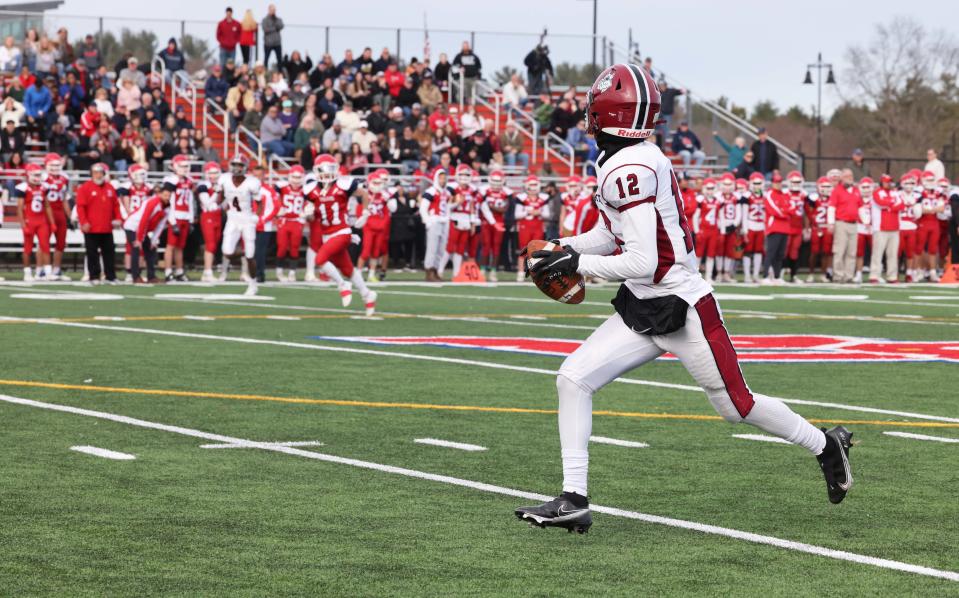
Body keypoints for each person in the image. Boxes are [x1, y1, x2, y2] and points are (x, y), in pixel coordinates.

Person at [515, 64, 853, 533]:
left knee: (736, 407)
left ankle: (823, 444)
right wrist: (566, 247)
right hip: (643, 304)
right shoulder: (624, 156)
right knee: (573, 378)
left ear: (606, 114)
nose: (587, 117)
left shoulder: (629, 165)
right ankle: (574, 498)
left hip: (682, 305)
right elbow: (609, 234)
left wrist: (576, 265)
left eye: (593, 109)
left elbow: (643, 261)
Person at [305, 153, 377, 314]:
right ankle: (368, 294)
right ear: (316, 171)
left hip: (342, 231)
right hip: (327, 235)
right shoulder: (310, 189)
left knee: (320, 259)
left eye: (329, 169)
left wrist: (365, 213)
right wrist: (308, 213)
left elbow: (364, 195)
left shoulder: (344, 184)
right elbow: (312, 216)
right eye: (322, 170)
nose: (326, 173)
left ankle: (342, 284)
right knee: (348, 269)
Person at [214, 155, 261, 295]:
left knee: (251, 256)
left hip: (247, 219)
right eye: (234, 164)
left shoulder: (252, 182)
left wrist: (256, 215)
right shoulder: (224, 179)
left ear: (245, 167)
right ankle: (246, 253)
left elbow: (259, 203)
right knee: (227, 252)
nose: (236, 168)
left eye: (240, 165)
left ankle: (253, 284)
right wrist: (218, 194)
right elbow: (219, 200)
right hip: (232, 218)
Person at [76, 162, 122, 283]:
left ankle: (110, 276)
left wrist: (118, 218)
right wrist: (84, 222)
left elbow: (116, 205)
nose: (98, 175)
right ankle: (94, 276)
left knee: (109, 252)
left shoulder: (110, 187)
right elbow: (80, 207)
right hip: (91, 227)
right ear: (91, 174)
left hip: (107, 227)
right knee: (92, 253)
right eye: (96, 173)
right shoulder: (85, 188)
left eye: (100, 172)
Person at [123, 179, 172, 284]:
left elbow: (161, 224)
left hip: (142, 229)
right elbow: (144, 220)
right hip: (133, 226)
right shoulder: (153, 203)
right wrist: (139, 239)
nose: (167, 198)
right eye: (165, 195)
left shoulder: (167, 206)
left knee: (151, 250)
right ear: (159, 194)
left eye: (169, 195)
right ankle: (135, 276)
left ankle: (151, 276)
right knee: (136, 249)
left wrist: (154, 240)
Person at [15, 163, 54, 281]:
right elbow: (19, 208)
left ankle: (48, 272)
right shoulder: (23, 188)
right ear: (29, 175)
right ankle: (27, 273)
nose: (38, 177)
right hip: (29, 221)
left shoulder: (44, 187)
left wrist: (52, 222)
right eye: (35, 174)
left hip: (41, 221)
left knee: (45, 246)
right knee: (28, 248)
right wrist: (23, 225)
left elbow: (47, 206)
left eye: (39, 174)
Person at [827, 168, 863, 283]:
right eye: (847, 176)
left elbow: (860, 207)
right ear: (842, 178)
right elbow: (832, 208)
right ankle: (838, 275)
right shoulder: (837, 190)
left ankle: (848, 275)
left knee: (852, 252)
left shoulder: (856, 190)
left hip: (853, 223)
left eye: (851, 176)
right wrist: (831, 223)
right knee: (840, 250)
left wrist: (866, 221)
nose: (850, 178)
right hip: (841, 223)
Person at [163, 154, 195, 281]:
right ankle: (168, 271)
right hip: (175, 216)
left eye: (186, 166)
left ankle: (180, 271)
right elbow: (169, 201)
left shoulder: (188, 181)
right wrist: (172, 220)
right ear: (175, 167)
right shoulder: (171, 180)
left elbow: (190, 200)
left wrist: (191, 219)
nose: (185, 168)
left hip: (185, 217)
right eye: (182, 166)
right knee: (170, 245)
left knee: (180, 246)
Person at [274, 165, 308, 281]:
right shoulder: (282, 187)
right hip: (284, 220)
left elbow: (311, 202)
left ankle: (292, 272)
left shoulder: (306, 190)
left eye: (298, 178)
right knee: (282, 247)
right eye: (294, 177)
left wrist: (307, 210)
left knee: (294, 247)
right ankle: (279, 271)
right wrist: (278, 207)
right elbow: (273, 194)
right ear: (289, 177)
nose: (296, 180)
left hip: (297, 221)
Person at [512, 174, 549, 282]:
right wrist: (528, 211)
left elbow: (547, 214)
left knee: (537, 250)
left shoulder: (543, 198)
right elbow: (516, 215)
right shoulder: (521, 198)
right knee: (523, 249)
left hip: (538, 226)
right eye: (531, 185)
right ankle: (520, 272)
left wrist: (539, 212)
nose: (532, 188)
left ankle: (536, 273)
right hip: (525, 226)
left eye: (534, 185)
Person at [419, 168, 453, 281]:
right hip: (434, 221)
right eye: (441, 178)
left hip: (444, 221)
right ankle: (429, 271)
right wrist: (427, 221)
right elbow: (423, 207)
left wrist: (448, 218)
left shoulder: (446, 192)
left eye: (444, 178)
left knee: (441, 249)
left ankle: (436, 269)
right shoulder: (431, 191)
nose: (443, 180)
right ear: (436, 178)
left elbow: (447, 207)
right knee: (432, 248)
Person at [41, 153, 71, 280]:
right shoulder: (41, 177)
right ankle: (41, 270)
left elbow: (64, 199)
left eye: (57, 165)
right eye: (52, 165)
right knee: (43, 243)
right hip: (45, 212)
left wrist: (70, 216)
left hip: (59, 212)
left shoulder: (64, 178)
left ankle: (56, 270)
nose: (55, 168)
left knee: (61, 243)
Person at [869, 174, 903, 283]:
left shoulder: (895, 192)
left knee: (893, 254)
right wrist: (892, 205)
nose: (888, 183)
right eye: (886, 182)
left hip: (894, 227)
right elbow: (880, 203)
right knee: (877, 253)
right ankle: (874, 275)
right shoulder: (877, 192)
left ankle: (892, 276)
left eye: (890, 181)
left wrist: (889, 206)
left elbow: (901, 205)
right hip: (880, 227)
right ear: (881, 182)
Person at [805, 176, 834, 283]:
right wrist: (808, 228)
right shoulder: (813, 197)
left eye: (828, 186)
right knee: (814, 252)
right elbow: (808, 214)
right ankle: (811, 273)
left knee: (826, 252)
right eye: (824, 186)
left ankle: (823, 273)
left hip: (827, 227)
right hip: (817, 227)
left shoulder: (832, 198)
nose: (826, 188)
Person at [260, 4, 284, 70]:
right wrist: (275, 28)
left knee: (279, 59)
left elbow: (281, 26)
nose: (273, 11)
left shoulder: (278, 19)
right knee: (266, 59)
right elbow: (265, 29)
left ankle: (280, 72)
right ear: (269, 10)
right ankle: (265, 71)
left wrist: (274, 23)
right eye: (272, 10)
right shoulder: (265, 19)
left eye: (274, 10)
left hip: (277, 43)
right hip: (268, 43)